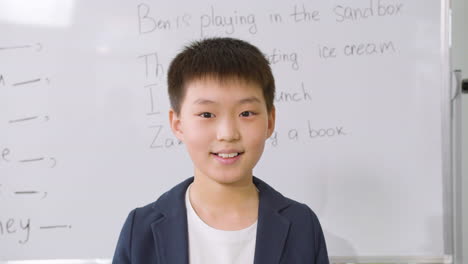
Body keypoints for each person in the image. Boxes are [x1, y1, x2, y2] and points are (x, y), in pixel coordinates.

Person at [112, 37, 329, 264]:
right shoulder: (141, 229)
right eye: (207, 114)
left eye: (246, 113)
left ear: (270, 121)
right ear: (177, 124)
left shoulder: (302, 225)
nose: (227, 133)